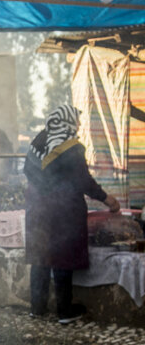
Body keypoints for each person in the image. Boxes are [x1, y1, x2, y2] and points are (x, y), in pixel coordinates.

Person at [24, 104, 120, 325]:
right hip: (62, 212)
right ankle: (65, 311)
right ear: (68, 122)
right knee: (61, 258)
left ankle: (36, 309)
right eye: (76, 121)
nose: (78, 125)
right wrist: (107, 199)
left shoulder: (39, 142)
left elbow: (27, 171)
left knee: (41, 257)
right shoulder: (71, 147)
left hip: (37, 210)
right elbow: (83, 181)